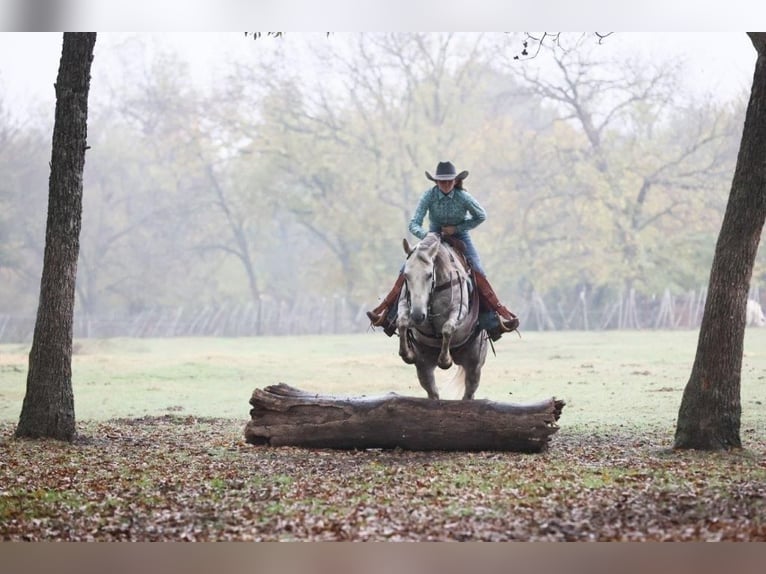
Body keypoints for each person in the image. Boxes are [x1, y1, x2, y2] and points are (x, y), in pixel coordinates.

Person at [367, 161, 519, 341]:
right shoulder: (428, 196)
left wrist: (457, 229)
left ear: (455, 181)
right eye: (441, 181)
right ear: (436, 182)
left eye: (448, 181)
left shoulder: (463, 197)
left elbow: (481, 216)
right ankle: (389, 318)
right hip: (432, 237)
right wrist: (427, 235)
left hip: (461, 236)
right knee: (407, 269)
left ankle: (494, 323)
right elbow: (414, 223)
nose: (445, 184)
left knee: (477, 270)